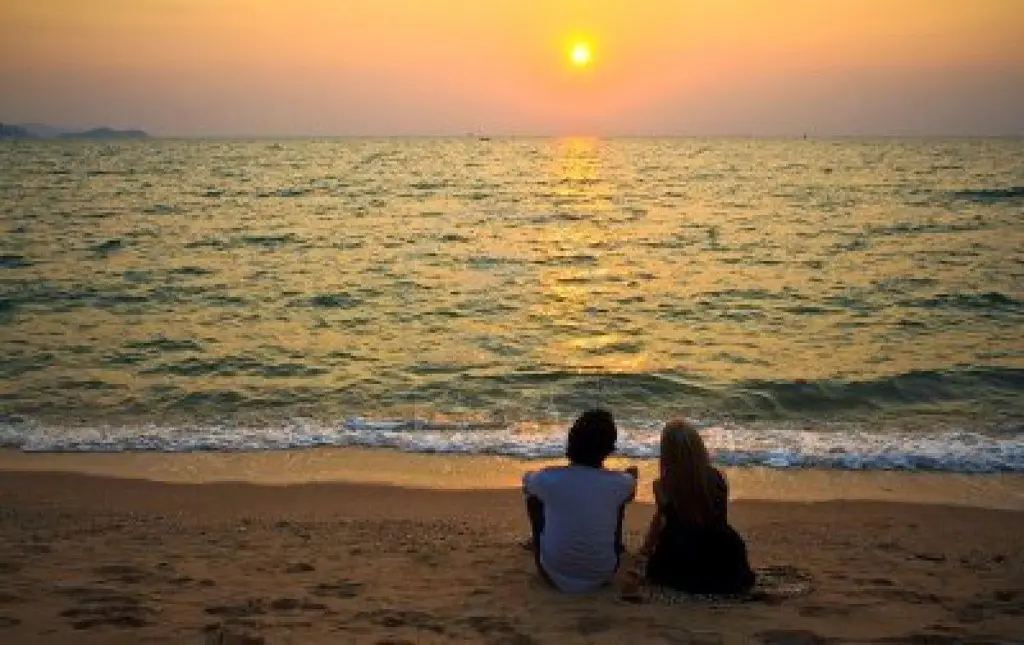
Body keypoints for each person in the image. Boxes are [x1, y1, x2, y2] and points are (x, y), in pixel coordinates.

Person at [522, 408, 638, 592]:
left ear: (571, 442)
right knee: (618, 499)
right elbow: (631, 488)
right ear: (609, 448)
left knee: (533, 498)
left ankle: (538, 542)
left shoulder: (549, 479)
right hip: (604, 572)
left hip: (553, 572)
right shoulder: (619, 483)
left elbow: (526, 481)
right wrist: (631, 475)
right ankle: (613, 544)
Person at [639, 419, 754, 594]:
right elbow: (721, 517)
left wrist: (646, 548)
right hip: (724, 551)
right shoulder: (716, 478)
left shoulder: (662, 485)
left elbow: (660, 523)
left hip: (684, 555)